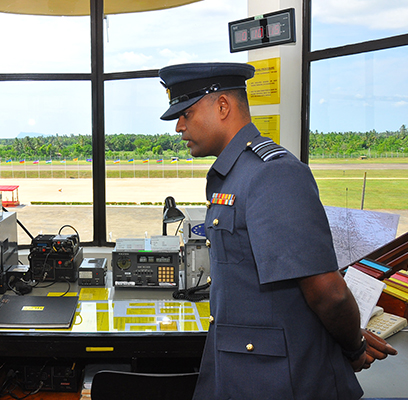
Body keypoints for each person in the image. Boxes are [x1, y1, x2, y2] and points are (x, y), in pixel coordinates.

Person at [158, 62, 398, 400]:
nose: (179, 126)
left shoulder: (273, 174)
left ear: (223, 106)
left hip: (279, 380)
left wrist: (354, 347)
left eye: (186, 113)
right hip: (242, 370)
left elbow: (328, 293)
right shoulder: (235, 175)